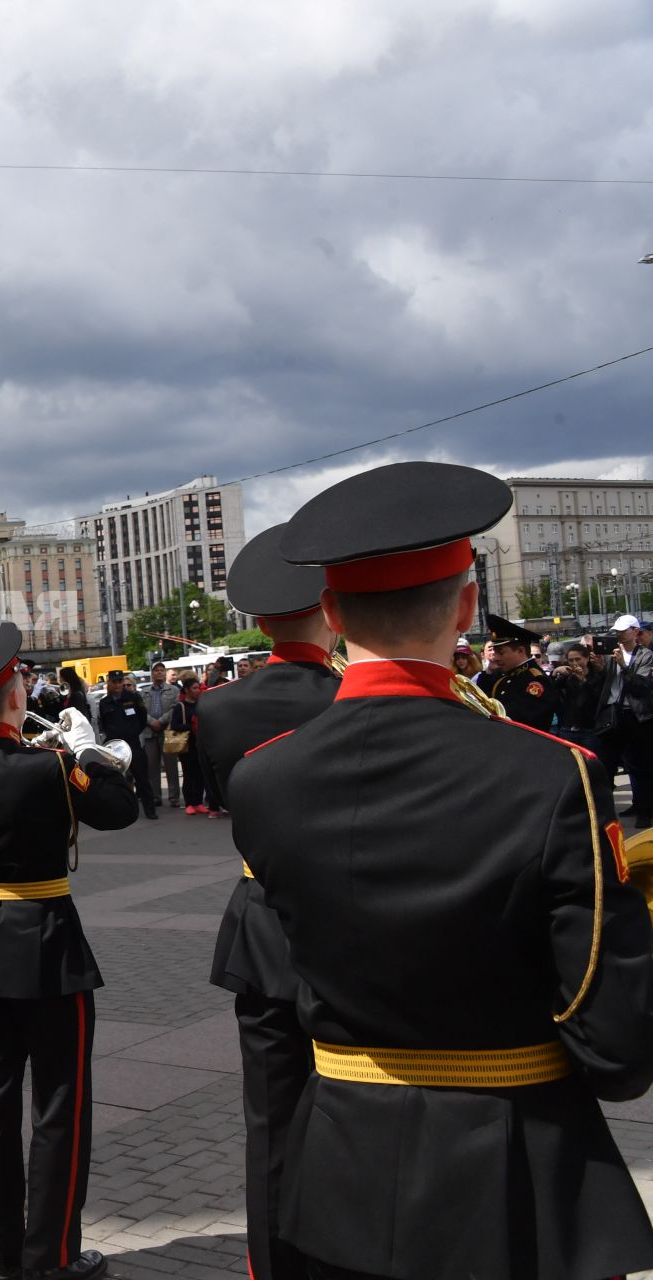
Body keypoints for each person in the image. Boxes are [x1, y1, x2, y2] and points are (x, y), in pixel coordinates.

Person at [234, 460, 653, 1280]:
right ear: (466, 605)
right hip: (516, 1164)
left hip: (337, 1167)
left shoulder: (262, 777)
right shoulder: (552, 771)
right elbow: (614, 1037)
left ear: (328, 610)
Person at [0, 622, 136, 1280]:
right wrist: (90, 754)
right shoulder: (50, 768)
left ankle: (1, 1251)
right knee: (58, 1106)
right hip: (48, 946)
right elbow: (120, 810)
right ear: (14, 695)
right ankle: (53, 1254)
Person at [194, 525, 341, 1280]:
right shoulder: (350, 695)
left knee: (272, 1121)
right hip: (354, 926)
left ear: (256, 622)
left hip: (259, 923)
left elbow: (225, 799)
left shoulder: (217, 707)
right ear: (331, 607)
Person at [598, 615, 653, 828]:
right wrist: (598, 667)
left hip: (638, 716)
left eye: (623, 631)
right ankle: (605, 811)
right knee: (608, 763)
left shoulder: (645, 656)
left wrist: (625, 666)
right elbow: (605, 683)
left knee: (642, 765)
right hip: (614, 714)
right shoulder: (612, 656)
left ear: (634, 632)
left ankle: (645, 810)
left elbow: (640, 686)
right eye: (617, 631)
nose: (619, 635)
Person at [481, 614, 558, 730]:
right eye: (494, 652)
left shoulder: (536, 680)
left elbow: (523, 719)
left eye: (501, 653)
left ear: (521, 651)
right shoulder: (504, 675)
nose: (495, 657)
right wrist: (488, 670)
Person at [94, 671, 154, 818]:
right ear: (109, 683)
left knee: (142, 778)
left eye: (120, 681)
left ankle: (150, 810)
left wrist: (133, 731)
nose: (118, 685)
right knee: (117, 780)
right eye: (114, 682)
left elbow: (142, 717)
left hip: (132, 743)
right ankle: (122, 810)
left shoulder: (133, 698)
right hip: (115, 746)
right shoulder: (105, 702)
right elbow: (104, 723)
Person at [552, 642, 605, 755]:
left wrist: (583, 681)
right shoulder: (568, 677)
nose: (575, 663)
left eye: (578, 659)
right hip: (568, 728)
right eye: (571, 660)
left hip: (589, 730)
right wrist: (555, 673)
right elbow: (552, 689)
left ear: (586, 659)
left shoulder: (596, 676)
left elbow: (597, 699)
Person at [139, 662, 179, 810]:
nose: (159, 673)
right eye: (156, 671)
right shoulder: (144, 692)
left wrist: (161, 721)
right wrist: (151, 721)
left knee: (171, 766)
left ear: (165, 673)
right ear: (152, 673)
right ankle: (156, 796)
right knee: (152, 767)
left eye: (162, 670)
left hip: (168, 732)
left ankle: (174, 797)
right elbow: (141, 710)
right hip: (150, 732)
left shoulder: (174, 690)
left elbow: (175, 708)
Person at [169, 679, 211, 814]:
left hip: (200, 744)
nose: (198, 690)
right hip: (186, 745)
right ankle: (189, 803)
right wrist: (190, 727)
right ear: (186, 690)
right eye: (194, 688)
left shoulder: (201, 704)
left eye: (198, 688)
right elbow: (174, 725)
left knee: (200, 774)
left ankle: (198, 802)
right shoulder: (180, 706)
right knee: (189, 774)